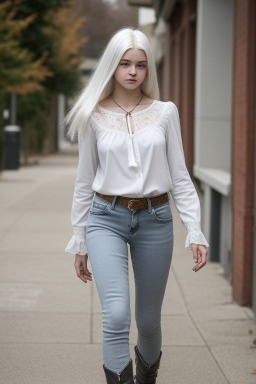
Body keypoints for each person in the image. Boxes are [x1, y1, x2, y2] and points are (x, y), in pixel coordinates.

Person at [65, 27, 209, 384]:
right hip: (105, 219)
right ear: (112, 66)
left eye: (141, 65)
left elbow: (179, 177)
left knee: (147, 320)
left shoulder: (165, 113)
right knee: (115, 316)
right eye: (125, 63)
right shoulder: (92, 114)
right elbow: (84, 182)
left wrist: (195, 229)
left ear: (148, 69)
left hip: (156, 219)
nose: (132, 72)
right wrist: (79, 238)